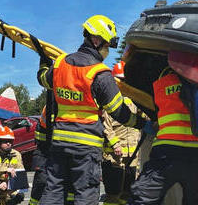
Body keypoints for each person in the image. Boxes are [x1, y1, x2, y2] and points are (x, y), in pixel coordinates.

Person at [37, 15, 148, 205]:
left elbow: (43, 80)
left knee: (54, 190)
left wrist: (44, 62)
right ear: (96, 41)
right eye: (106, 46)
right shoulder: (100, 73)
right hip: (85, 147)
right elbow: (118, 111)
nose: (107, 51)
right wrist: (141, 123)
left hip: (60, 142)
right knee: (85, 194)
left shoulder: (61, 63)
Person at [130, 66, 198, 205]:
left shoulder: (161, 81)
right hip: (197, 152)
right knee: (196, 200)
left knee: (142, 198)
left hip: (165, 151)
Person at [102, 61, 141, 205]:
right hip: (114, 156)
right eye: (120, 80)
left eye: (125, 80)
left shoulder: (135, 100)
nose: (123, 83)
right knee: (113, 194)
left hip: (133, 155)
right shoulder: (110, 100)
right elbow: (105, 126)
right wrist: (115, 144)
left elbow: (143, 119)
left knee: (128, 194)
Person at [29, 106, 74, 205]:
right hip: (45, 150)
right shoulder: (50, 107)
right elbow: (46, 126)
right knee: (42, 180)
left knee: (69, 181)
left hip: (64, 150)